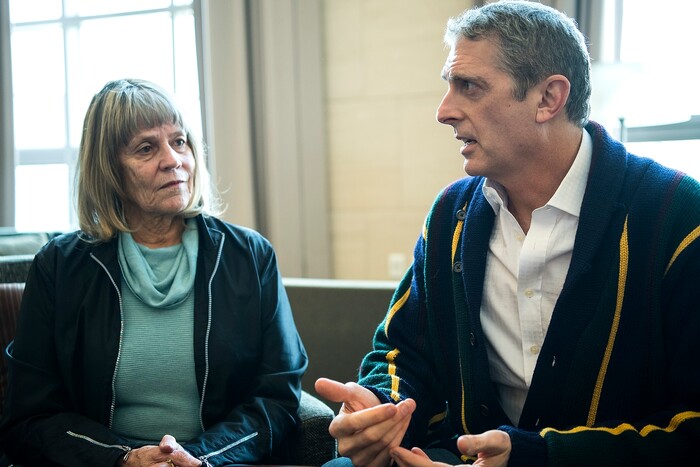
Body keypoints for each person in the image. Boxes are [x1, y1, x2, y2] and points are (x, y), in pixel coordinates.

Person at [315, 1, 700, 465]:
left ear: (548, 98)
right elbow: (402, 352)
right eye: (448, 85)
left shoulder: (678, 217)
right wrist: (382, 410)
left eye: (469, 86)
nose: (443, 111)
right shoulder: (450, 215)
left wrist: (537, 458)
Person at [0, 78, 308, 466]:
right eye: (146, 148)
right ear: (109, 170)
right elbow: (29, 415)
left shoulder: (250, 256)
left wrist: (199, 458)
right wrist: (124, 458)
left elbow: (277, 395)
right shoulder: (58, 266)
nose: (173, 159)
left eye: (179, 142)